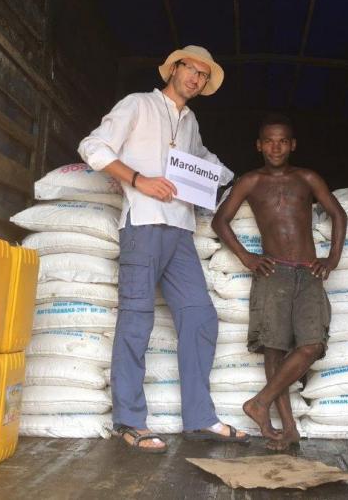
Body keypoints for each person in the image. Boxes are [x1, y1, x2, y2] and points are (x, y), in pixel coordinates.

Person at [78, 45, 249, 453]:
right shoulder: (138, 104)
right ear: (174, 68)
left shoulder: (190, 122)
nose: (196, 79)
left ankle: (200, 418)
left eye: (204, 76)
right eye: (192, 69)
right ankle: (129, 421)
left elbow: (203, 160)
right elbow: (92, 147)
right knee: (137, 319)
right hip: (143, 223)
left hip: (181, 230)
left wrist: (234, 177)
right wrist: (139, 180)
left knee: (200, 316)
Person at [211, 113, 347, 450]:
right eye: (269, 141)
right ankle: (289, 429)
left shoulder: (307, 178)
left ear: (292, 144)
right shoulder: (250, 181)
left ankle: (260, 402)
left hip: (308, 271)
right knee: (274, 350)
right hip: (273, 273)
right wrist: (247, 257)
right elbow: (220, 221)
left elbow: (338, 214)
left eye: (282, 141)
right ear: (259, 145)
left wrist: (332, 259)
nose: (276, 147)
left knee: (311, 345)